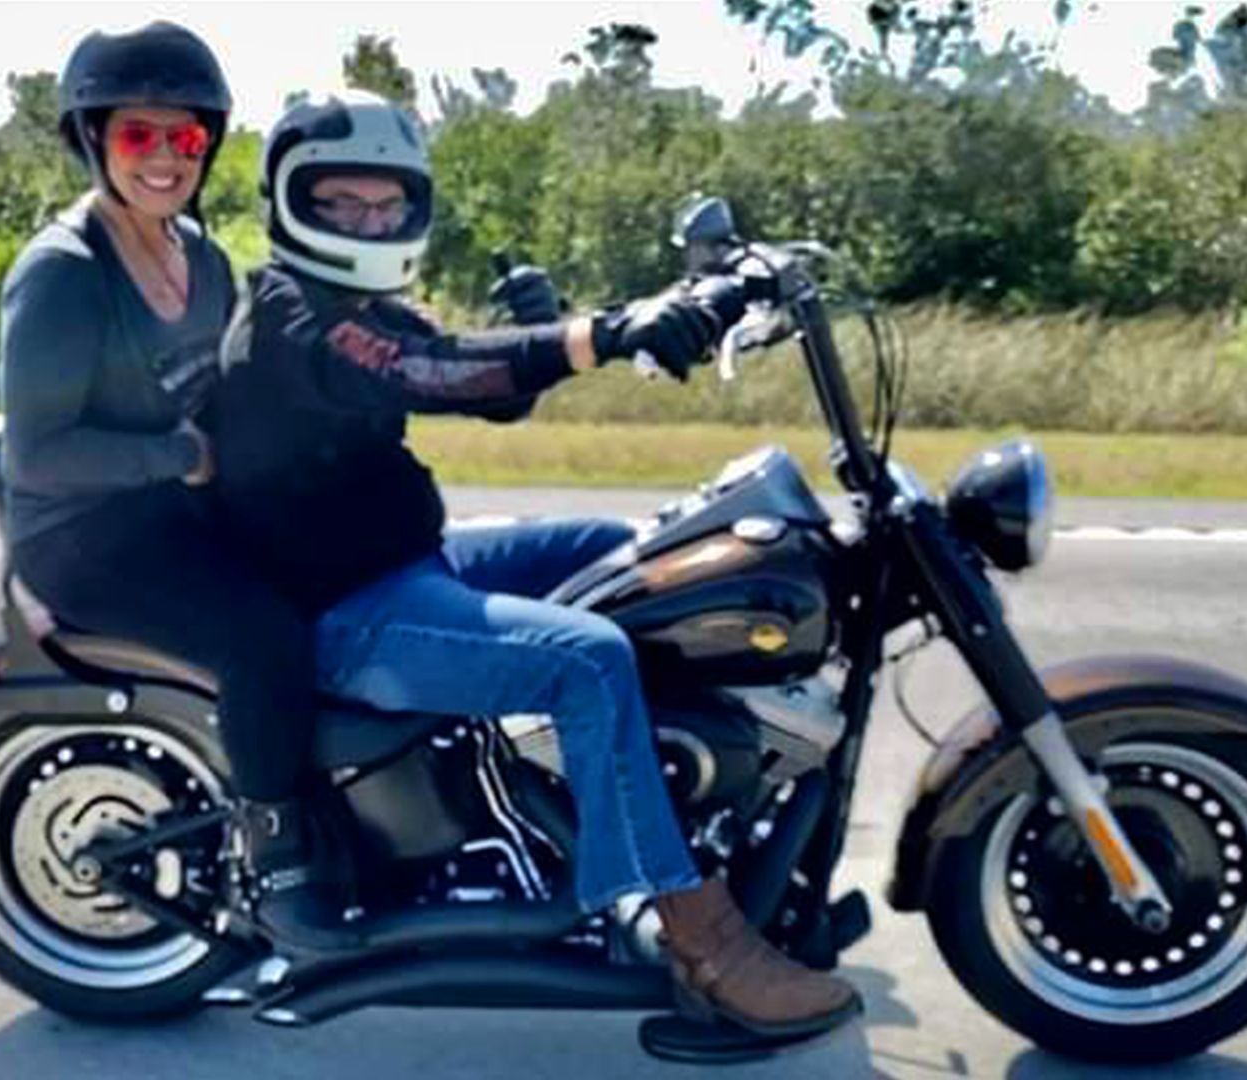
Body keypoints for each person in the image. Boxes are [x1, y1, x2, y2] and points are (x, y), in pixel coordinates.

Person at [200, 90, 862, 1040]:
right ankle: (692, 933)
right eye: (341, 201)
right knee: (588, 658)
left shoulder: (354, 306)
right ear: (292, 202)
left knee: (626, 555)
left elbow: (469, 379)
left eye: (386, 204)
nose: (368, 221)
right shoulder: (294, 316)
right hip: (344, 613)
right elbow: (429, 371)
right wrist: (609, 331)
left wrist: (553, 325)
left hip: (408, 561)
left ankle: (666, 795)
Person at [0, 21, 339, 948]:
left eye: (184, 136)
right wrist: (178, 457)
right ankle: (279, 861)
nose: (164, 157)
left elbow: (232, 391)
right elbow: (36, 454)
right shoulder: (63, 275)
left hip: (171, 514)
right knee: (261, 638)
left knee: (347, 569)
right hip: (82, 537)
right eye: (138, 134)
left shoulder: (203, 256)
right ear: (93, 139)